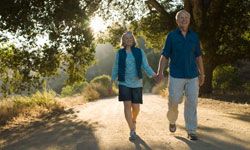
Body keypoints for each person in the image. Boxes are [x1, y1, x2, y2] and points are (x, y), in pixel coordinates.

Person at [156, 10, 205, 140]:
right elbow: (165, 55)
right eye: (181, 18)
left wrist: (202, 74)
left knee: (192, 103)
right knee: (173, 101)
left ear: (189, 20)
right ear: (177, 21)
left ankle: (191, 130)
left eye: (186, 17)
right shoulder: (171, 36)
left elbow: (198, 56)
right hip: (176, 75)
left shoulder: (194, 36)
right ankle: (172, 121)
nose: (184, 19)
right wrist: (160, 71)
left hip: (193, 75)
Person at [109, 31, 156, 141]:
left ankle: (133, 119)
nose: (129, 39)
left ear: (133, 40)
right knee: (127, 106)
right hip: (124, 82)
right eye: (126, 38)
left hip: (137, 82)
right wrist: (111, 82)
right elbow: (115, 67)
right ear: (123, 41)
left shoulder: (139, 52)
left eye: (130, 38)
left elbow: (146, 66)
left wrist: (154, 75)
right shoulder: (119, 53)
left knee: (136, 107)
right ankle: (132, 130)